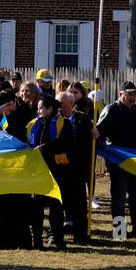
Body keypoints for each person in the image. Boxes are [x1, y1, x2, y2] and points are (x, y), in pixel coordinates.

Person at [96, 81, 136, 239]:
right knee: (119, 198)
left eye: (134, 94)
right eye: (129, 94)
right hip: (119, 162)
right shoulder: (110, 110)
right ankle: (119, 230)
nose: (132, 97)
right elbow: (98, 133)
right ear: (120, 94)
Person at [0, 90, 35, 249]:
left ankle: (19, 240)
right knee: (1, 206)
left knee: (19, 205)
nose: (12, 107)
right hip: (1, 168)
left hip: (18, 166)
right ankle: (0, 240)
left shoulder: (21, 115)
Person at [26, 96, 70, 249]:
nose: (38, 111)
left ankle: (58, 238)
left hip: (57, 170)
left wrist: (45, 148)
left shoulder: (63, 123)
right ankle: (36, 240)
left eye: (41, 108)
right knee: (36, 207)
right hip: (37, 170)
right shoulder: (32, 125)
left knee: (56, 207)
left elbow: (66, 143)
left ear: (50, 109)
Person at [56, 89, 93, 244]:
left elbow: (92, 139)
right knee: (58, 204)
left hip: (78, 169)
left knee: (79, 204)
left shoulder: (83, 119)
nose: (58, 106)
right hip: (60, 168)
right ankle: (56, 235)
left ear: (72, 104)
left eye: (61, 104)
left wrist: (97, 134)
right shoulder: (53, 120)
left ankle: (81, 235)